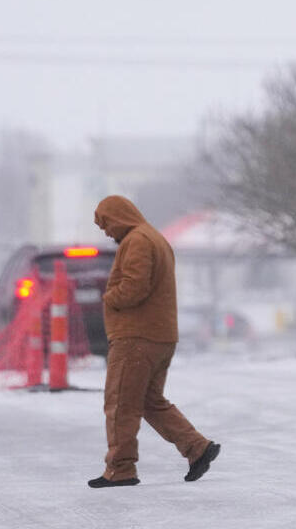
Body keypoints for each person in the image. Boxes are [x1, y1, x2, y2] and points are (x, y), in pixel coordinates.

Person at [88, 195, 219, 488]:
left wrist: (109, 298)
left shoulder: (137, 241)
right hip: (159, 337)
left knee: (121, 404)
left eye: (107, 224)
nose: (107, 232)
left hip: (136, 337)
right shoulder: (154, 238)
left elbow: (135, 287)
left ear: (120, 216)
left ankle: (120, 469)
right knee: (149, 401)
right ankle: (197, 448)